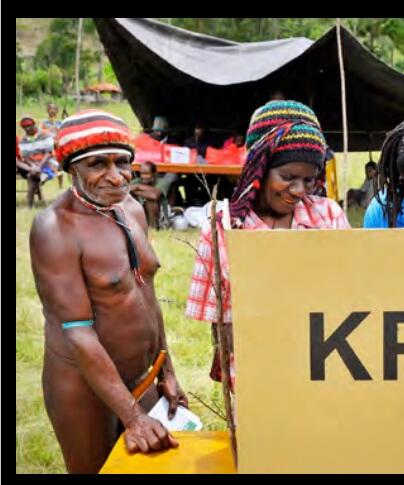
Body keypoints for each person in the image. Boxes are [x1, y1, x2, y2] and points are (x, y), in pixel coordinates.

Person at [30, 109, 186, 472]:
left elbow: (146, 297)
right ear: (72, 168)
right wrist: (133, 417)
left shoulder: (131, 208)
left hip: (143, 376)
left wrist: (166, 371)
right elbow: (77, 333)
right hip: (83, 390)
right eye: (98, 164)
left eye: (122, 162)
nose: (116, 177)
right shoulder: (54, 228)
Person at [186, 100, 350, 390]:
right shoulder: (223, 224)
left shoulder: (327, 215)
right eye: (287, 178)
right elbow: (219, 319)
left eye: (309, 180)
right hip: (253, 374)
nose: (299, 191)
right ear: (258, 167)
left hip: (323, 365)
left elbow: (349, 298)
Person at [128, 161, 167, 230]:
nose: (143, 177)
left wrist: (137, 187)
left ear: (154, 174)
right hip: (142, 212)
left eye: (146, 174)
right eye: (142, 174)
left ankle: (153, 228)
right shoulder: (137, 181)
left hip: (160, 215)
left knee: (150, 201)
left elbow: (154, 196)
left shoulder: (162, 182)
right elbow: (127, 190)